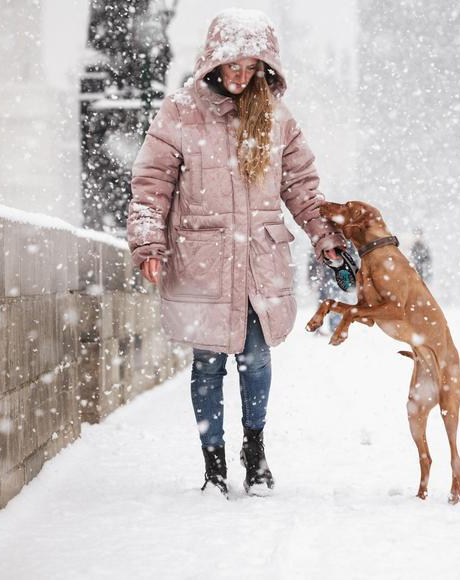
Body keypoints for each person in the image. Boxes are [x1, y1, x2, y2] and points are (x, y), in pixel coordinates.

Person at [126, 9, 345, 497]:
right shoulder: (180, 111)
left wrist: (325, 237)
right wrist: (147, 241)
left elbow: (303, 188)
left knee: (256, 356)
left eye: (252, 68)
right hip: (203, 260)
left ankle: (255, 449)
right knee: (208, 362)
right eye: (234, 67)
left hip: (259, 261)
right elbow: (152, 184)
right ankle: (214, 463)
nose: (242, 77)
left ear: (265, 68)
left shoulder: (278, 120)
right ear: (213, 63)